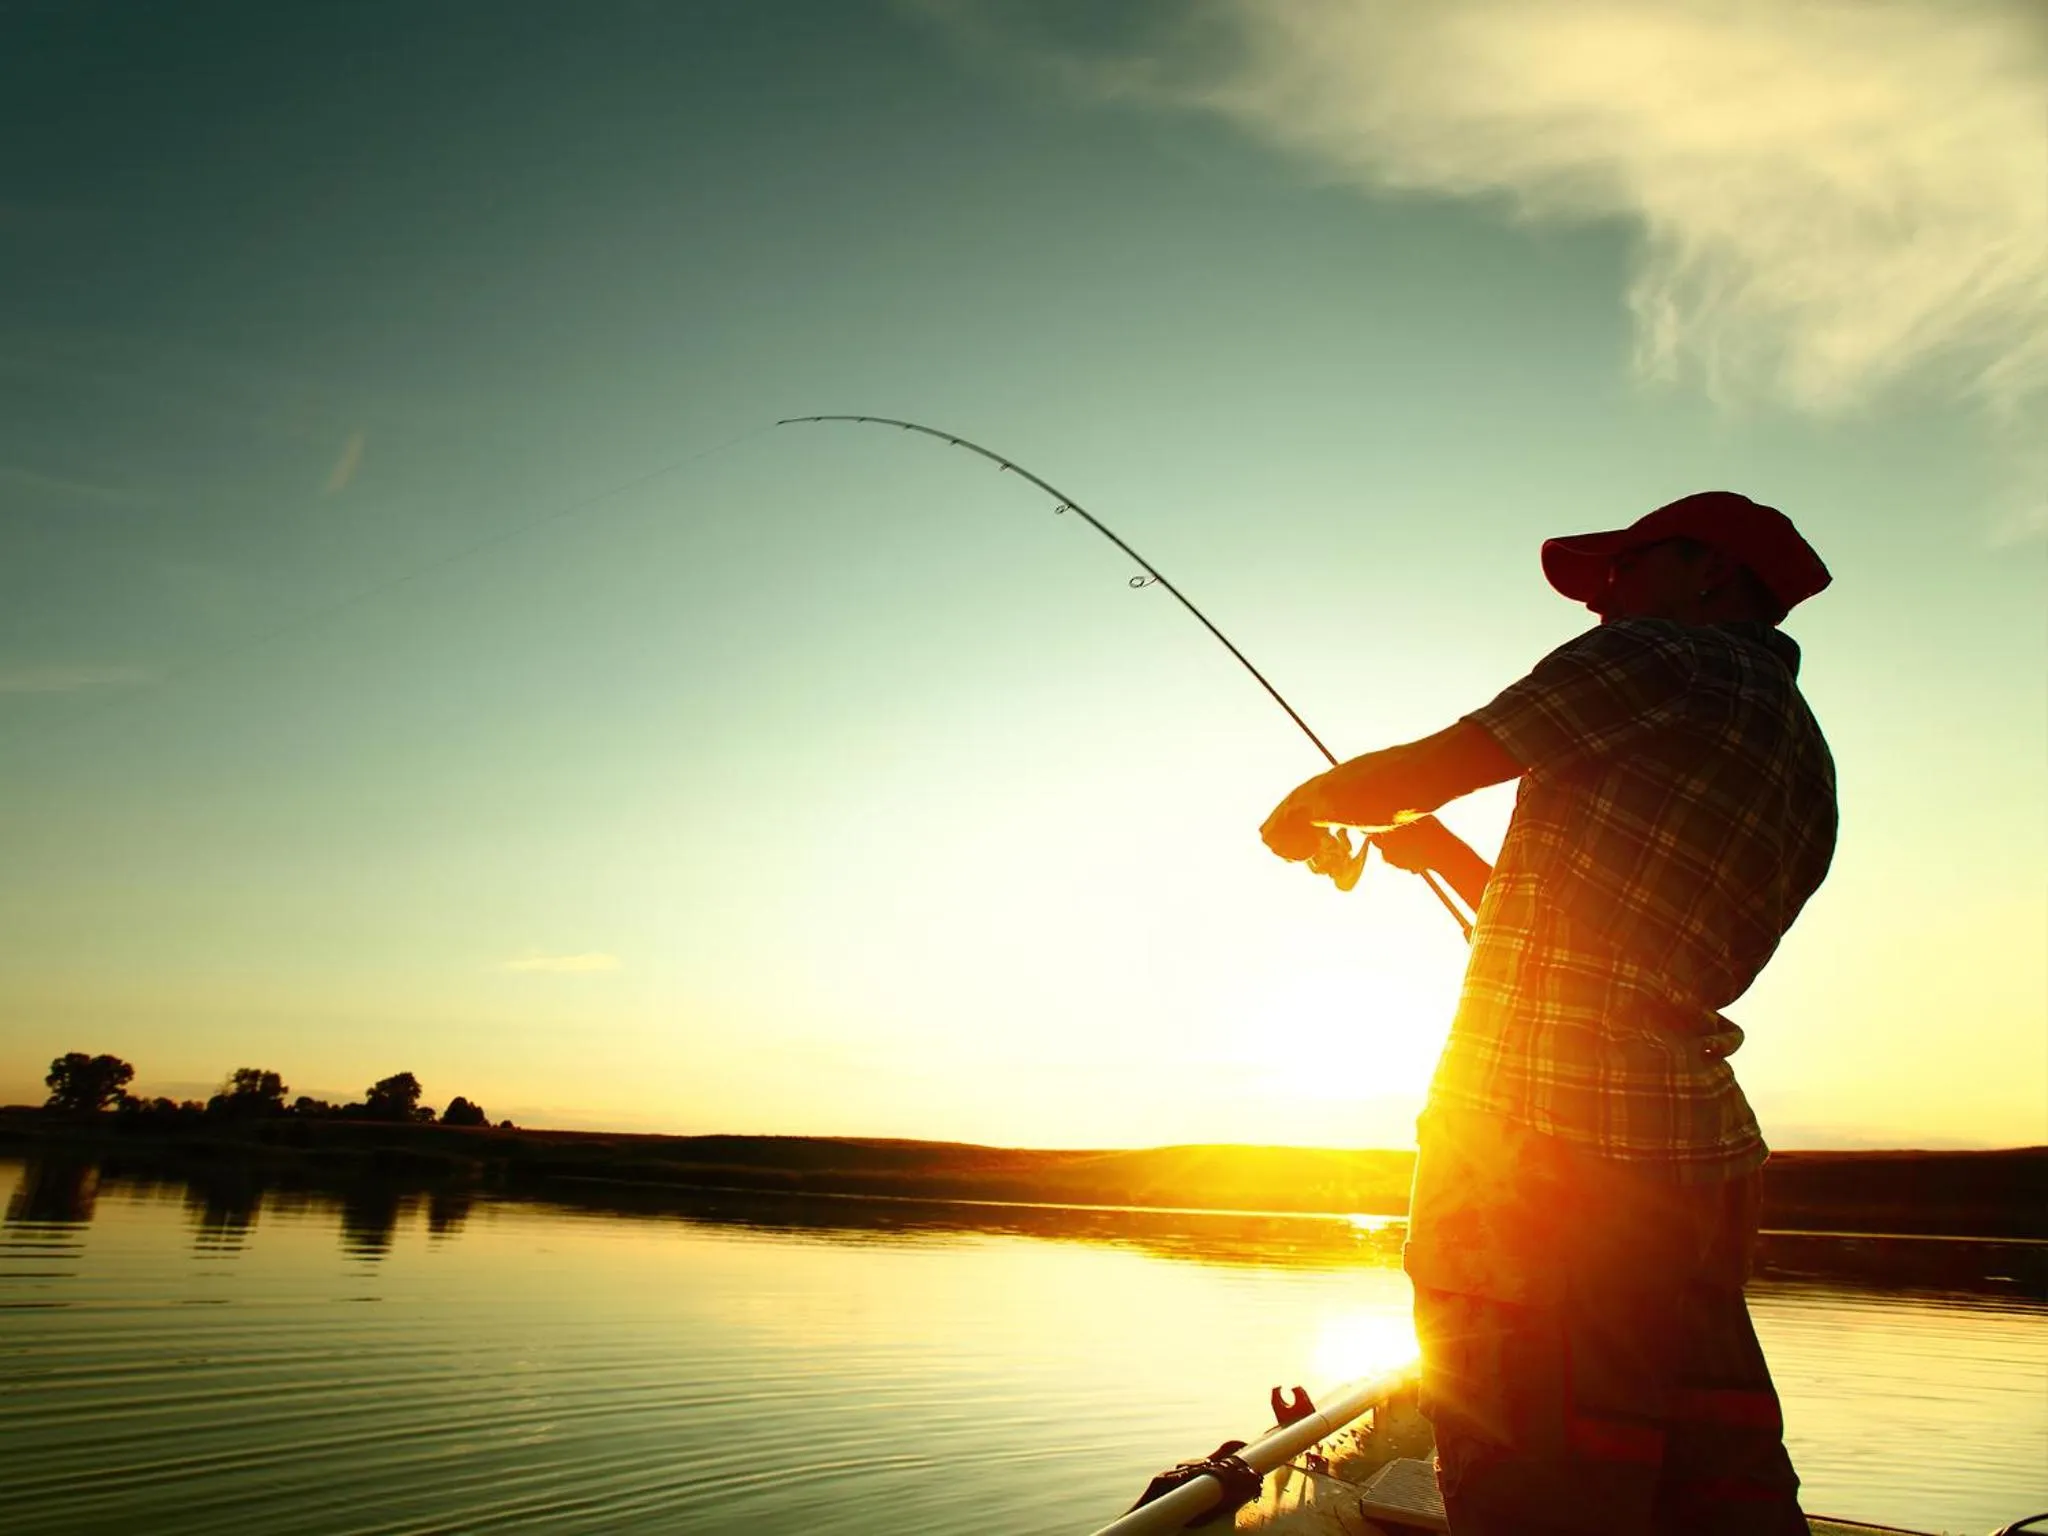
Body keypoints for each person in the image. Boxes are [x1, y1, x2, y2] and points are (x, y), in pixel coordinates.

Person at [1260, 491, 1837, 1536]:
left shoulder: (1656, 656)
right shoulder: (1801, 753)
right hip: (1696, 1155)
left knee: (1529, 1458)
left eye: (1624, 569)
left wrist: (1308, 804)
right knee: (1705, 1459)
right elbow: (1608, 948)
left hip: (1538, 1141)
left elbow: (1437, 763)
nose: (1604, 599)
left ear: (1704, 570)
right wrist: (1433, 849)